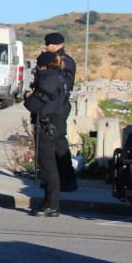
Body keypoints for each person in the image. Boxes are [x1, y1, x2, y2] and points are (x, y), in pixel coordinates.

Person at [24, 51, 68, 217]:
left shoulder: (49, 79)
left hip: (47, 126)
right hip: (53, 124)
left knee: (48, 166)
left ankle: (51, 204)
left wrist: (27, 97)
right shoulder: (57, 77)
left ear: (44, 64)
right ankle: (50, 203)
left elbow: (33, 105)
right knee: (50, 165)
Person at [43, 32, 78, 191]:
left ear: (56, 45)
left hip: (59, 107)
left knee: (58, 143)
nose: (46, 47)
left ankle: (68, 180)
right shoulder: (52, 59)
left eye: (48, 44)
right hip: (50, 106)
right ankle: (53, 179)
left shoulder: (65, 62)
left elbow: (60, 85)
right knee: (49, 145)